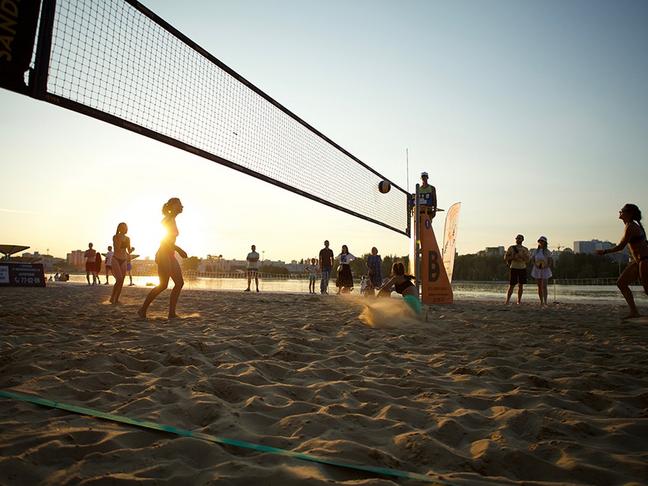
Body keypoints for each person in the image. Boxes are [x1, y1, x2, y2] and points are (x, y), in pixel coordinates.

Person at [596, 203, 648, 318]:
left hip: (645, 260)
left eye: (622, 211)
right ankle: (634, 312)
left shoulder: (631, 227)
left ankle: (634, 312)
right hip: (639, 261)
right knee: (621, 283)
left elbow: (620, 246)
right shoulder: (630, 225)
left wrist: (604, 252)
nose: (620, 212)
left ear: (629, 214)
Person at [138, 198, 187, 319]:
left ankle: (171, 313)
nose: (182, 206)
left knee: (179, 283)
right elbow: (164, 240)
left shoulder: (172, 219)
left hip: (169, 254)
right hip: (164, 254)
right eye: (179, 204)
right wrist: (179, 249)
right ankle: (143, 309)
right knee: (163, 285)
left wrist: (175, 250)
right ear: (173, 206)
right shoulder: (168, 219)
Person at [504, 234, 530, 304]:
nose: (518, 240)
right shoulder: (511, 248)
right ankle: (507, 300)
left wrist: (522, 256)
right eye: (517, 238)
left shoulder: (525, 249)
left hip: (522, 268)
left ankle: (519, 301)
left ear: (522, 240)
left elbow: (528, 260)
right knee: (511, 285)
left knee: (521, 285)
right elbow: (505, 258)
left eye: (520, 238)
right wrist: (513, 257)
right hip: (514, 267)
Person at [109, 223, 132, 304]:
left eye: (125, 227)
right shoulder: (115, 237)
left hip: (124, 260)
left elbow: (128, 250)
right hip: (116, 259)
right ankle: (112, 297)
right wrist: (125, 244)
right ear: (119, 228)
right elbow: (117, 248)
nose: (124, 229)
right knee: (119, 279)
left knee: (122, 281)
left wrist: (131, 249)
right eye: (122, 227)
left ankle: (116, 299)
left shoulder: (128, 238)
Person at [530, 236, 553, 306]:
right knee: (539, 286)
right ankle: (541, 302)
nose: (541, 242)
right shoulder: (535, 251)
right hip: (537, 269)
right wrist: (535, 265)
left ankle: (545, 301)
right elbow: (533, 260)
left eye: (542, 241)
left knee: (544, 286)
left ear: (545, 242)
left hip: (545, 269)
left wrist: (546, 266)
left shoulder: (548, 252)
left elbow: (550, 262)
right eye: (540, 241)